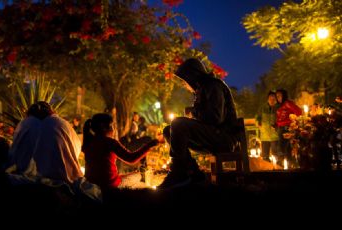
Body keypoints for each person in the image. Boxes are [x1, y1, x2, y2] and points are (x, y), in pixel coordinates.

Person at [158, 58, 239, 189]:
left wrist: (194, 113)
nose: (185, 85)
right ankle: (193, 173)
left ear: (192, 76)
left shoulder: (213, 86)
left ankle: (178, 172)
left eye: (185, 81)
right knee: (169, 131)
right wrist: (194, 114)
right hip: (212, 135)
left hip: (223, 137)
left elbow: (215, 118)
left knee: (178, 123)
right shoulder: (202, 89)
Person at [8, 101, 83, 185]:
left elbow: (15, 151)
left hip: (25, 180)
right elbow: (77, 147)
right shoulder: (62, 124)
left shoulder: (25, 124)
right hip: (64, 177)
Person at [82, 113, 159, 189]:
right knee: (138, 175)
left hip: (91, 182)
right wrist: (151, 144)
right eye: (112, 126)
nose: (114, 129)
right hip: (109, 184)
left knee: (126, 175)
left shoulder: (88, 141)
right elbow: (131, 158)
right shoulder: (110, 142)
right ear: (104, 127)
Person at [275, 89, 302, 162]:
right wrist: (276, 124)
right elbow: (279, 117)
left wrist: (294, 121)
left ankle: (287, 165)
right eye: (277, 96)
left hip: (287, 128)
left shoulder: (287, 103)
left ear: (284, 95)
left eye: (280, 96)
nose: (278, 98)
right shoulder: (279, 106)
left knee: (285, 148)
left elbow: (299, 112)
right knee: (282, 148)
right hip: (280, 128)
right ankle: (284, 165)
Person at [256, 91, 279, 161]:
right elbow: (257, 117)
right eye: (270, 99)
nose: (272, 101)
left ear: (276, 100)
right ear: (267, 99)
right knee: (265, 156)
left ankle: (277, 169)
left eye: (273, 99)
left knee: (276, 155)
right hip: (264, 135)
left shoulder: (278, 108)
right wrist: (258, 123)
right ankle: (266, 170)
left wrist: (276, 125)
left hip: (275, 136)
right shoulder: (262, 108)